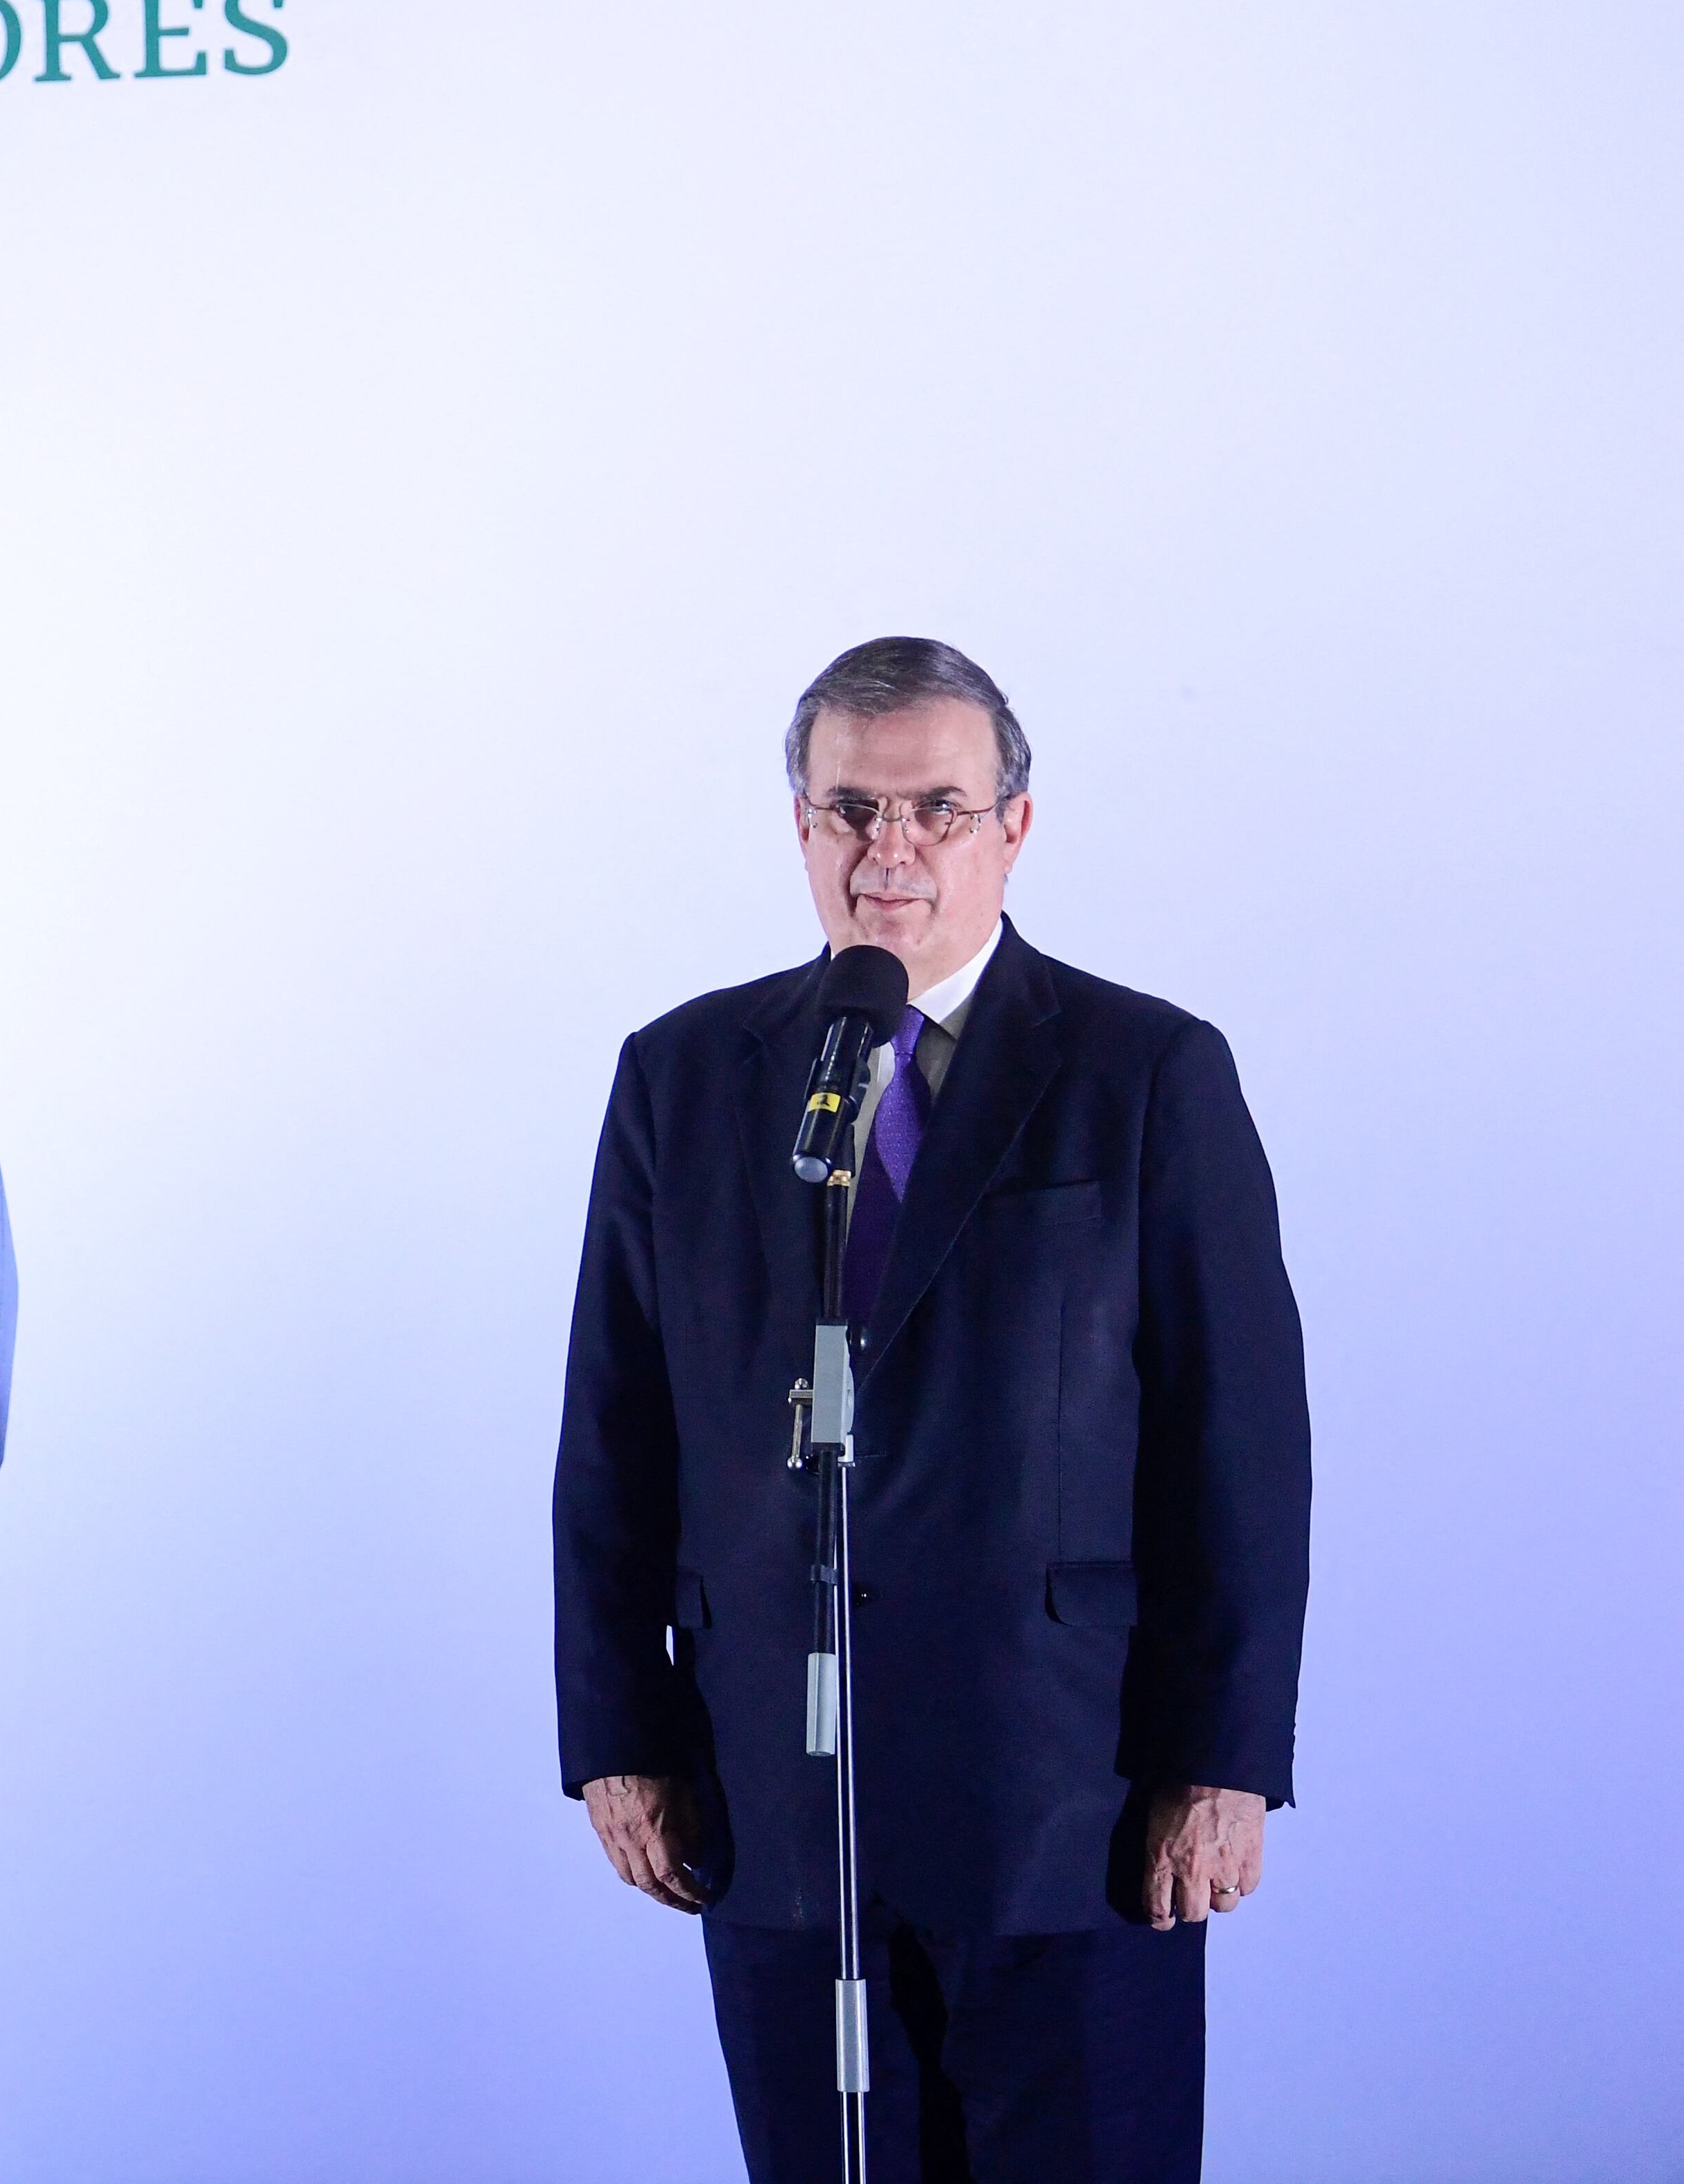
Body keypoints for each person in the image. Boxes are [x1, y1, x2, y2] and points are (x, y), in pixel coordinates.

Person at [553, 638, 1312, 2184]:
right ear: (799, 822)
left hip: (1068, 1801)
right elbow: (613, 1429)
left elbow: (1238, 1445)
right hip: (772, 1793)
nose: (885, 849)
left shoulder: (1145, 1071)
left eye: (935, 811)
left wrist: (1221, 1760)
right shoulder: (684, 1075)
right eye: (850, 809)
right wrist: (618, 1728)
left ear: (1012, 828)